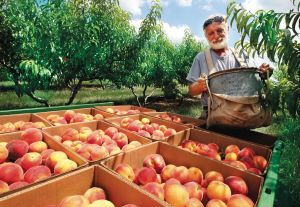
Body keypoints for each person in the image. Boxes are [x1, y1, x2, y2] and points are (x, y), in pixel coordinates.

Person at [186, 14, 272, 119]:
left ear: (227, 30)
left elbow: (254, 79)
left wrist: (263, 72)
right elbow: (191, 90)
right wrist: (199, 86)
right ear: (206, 37)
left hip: (243, 115)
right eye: (211, 33)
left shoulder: (241, 55)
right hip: (213, 116)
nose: (216, 36)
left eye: (219, 30)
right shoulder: (201, 58)